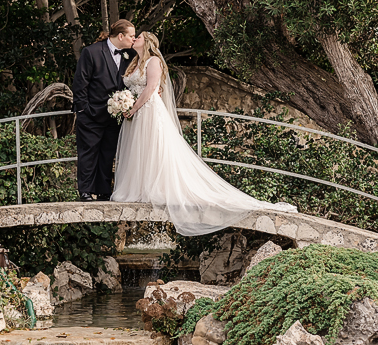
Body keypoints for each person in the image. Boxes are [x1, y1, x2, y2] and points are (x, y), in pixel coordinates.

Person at [111, 32, 297, 236]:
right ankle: (139, 190)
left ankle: (154, 189)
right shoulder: (134, 62)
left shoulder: (153, 60)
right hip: (136, 114)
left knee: (155, 149)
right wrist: (125, 102)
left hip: (148, 111)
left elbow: (152, 88)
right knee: (141, 150)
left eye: (139, 36)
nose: (135, 38)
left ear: (148, 42)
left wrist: (134, 107)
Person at [72, 19, 136, 201]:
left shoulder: (130, 54)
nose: (134, 39)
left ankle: (103, 191)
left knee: (108, 153)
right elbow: (80, 83)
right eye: (131, 35)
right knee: (88, 153)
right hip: (91, 114)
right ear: (121, 36)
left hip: (115, 116)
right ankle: (85, 191)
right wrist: (83, 110)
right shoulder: (91, 52)